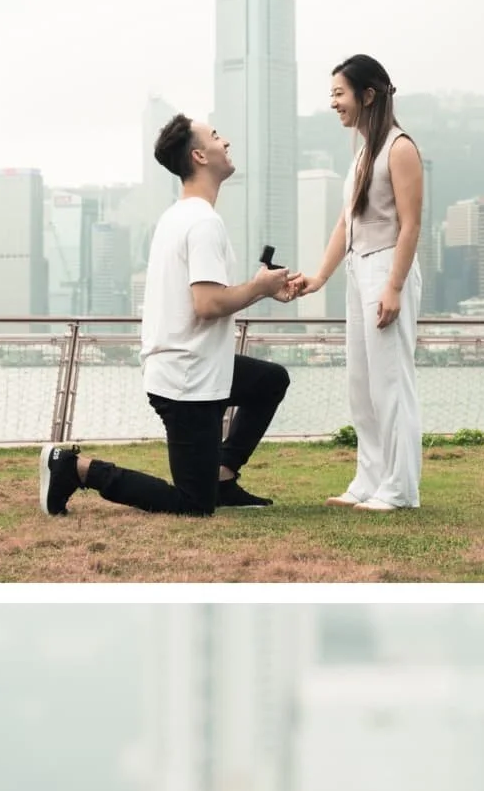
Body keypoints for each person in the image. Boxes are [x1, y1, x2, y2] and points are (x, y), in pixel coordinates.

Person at [38, 114, 297, 518]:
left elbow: (205, 298)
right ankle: (76, 468)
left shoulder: (180, 216)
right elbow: (208, 304)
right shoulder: (202, 222)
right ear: (199, 155)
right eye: (215, 136)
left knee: (269, 381)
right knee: (193, 506)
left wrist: (259, 286)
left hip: (197, 368)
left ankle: (222, 478)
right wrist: (261, 287)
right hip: (186, 381)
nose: (225, 141)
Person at [288, 55, 424, 511]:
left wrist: (395, 287)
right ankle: (370, 480)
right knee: (361, 383)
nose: (333, 104)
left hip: (387, 268)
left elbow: (410, 226)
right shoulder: (363, 151)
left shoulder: (400, 148)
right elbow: (346, 221)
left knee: (390, 382)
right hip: (357, 269)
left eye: (339, 94)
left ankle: (400, 489)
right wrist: (318, 277)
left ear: (368, 95)